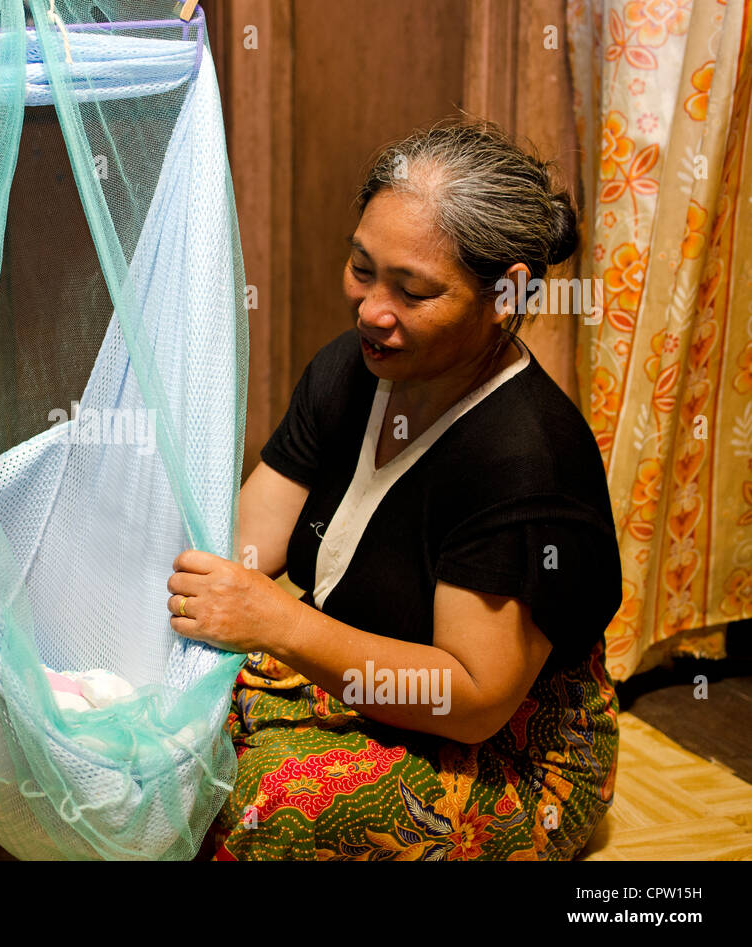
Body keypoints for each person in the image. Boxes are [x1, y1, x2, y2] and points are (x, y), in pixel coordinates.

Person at [168, 121, 622, 860]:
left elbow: (471, 699)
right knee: (159, 730)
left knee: (260, 798)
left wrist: (277, 625)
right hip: (360, 684)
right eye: (361, 267)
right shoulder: (351, 369)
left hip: (509, 753)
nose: (372, 309)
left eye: (413, 290)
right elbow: (249, 543)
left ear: (505, 294)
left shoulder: (524, 457)